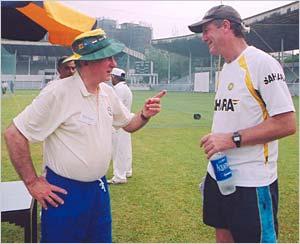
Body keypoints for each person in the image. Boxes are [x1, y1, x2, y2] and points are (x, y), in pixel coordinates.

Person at [4, 28, 166, 243]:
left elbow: (128, 124)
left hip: (99, 190)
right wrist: (33, 183)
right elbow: (14, 134)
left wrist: (144, 114)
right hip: (64, 192)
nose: (114, 64)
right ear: (88, 61)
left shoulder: (107, 92)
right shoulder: (58, 92)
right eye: (107, 57)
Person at [188, 5, 296, 243]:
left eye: (206, 30)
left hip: (253, 181)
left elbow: (287, 123)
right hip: (219, 175)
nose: (203, 37)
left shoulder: (262, 63)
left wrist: (230, 139)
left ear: (226, 26)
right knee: (223, 235)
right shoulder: (225, 68)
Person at [108, 68, 133, 184]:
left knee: (119, 150)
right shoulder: (125, 88)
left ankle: (119, 176)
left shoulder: (118, 89)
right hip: (126, 121)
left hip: (119, 123)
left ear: (114, 77)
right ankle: (127, 170)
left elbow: (113, 107)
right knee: (125, 148)